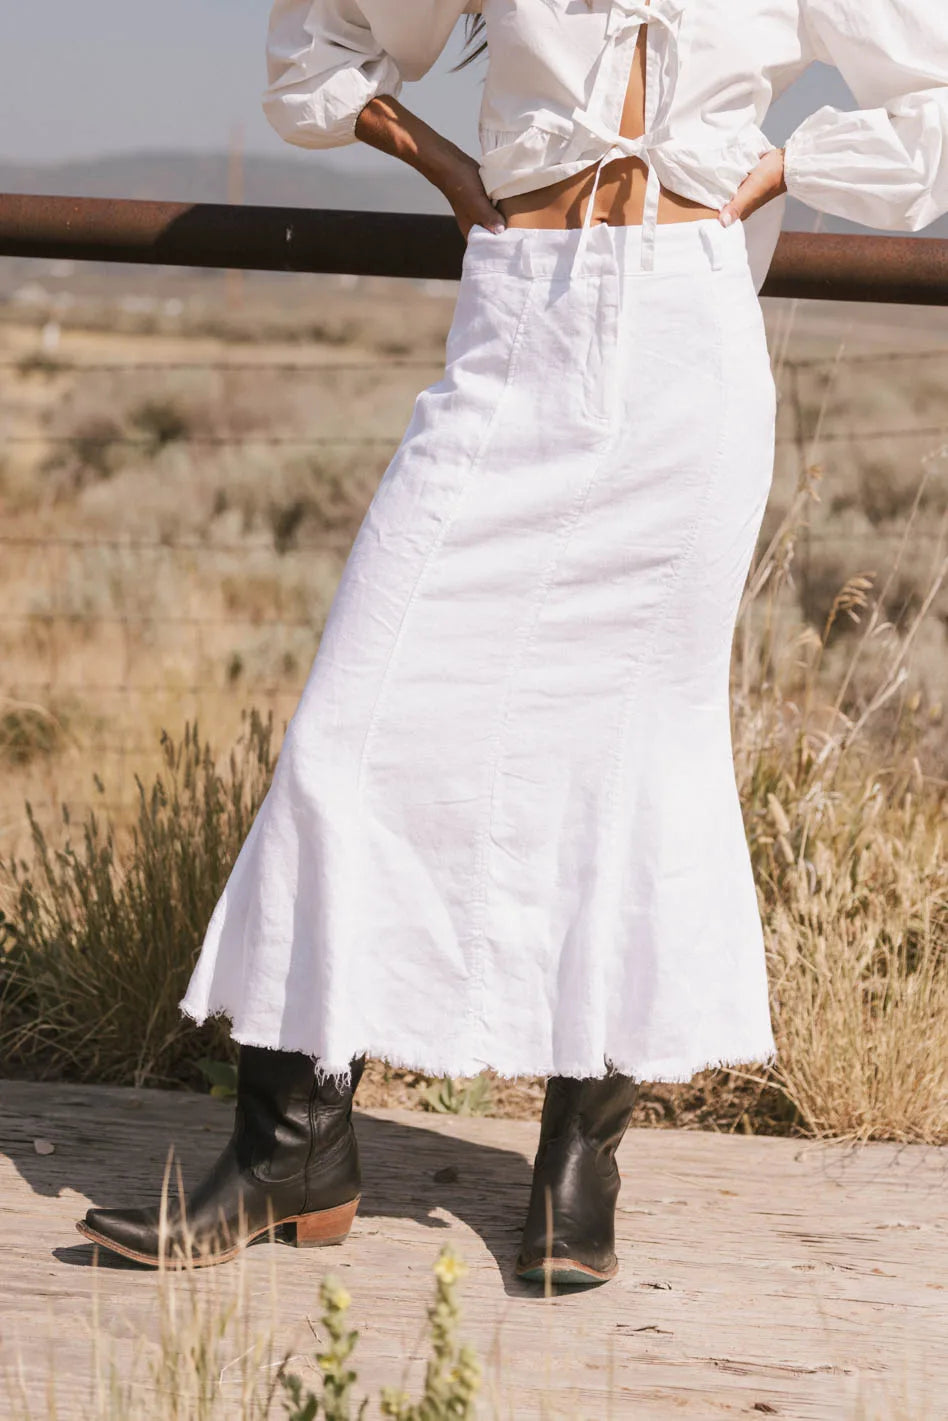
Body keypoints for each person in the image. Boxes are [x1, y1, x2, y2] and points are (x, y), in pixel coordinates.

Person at [78, 0, 948, 1285]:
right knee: (347, 733)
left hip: (689, 350)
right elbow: (316, 48)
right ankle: (291, 1141)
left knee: (636, 759)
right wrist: (446, 167)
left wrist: (771, 172)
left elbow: (932, 99)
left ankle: (579, 1158)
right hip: (519, 324)